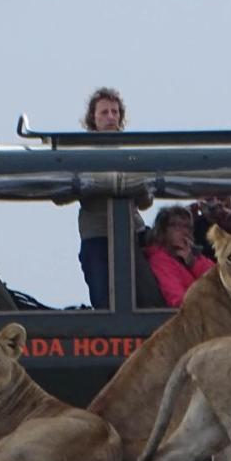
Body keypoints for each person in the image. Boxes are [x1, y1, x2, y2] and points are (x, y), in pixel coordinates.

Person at [74, 87, 152, 308]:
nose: (111, 117)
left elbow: (146, 200)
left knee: (145, 296)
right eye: (104, 112)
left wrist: (133, 186)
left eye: (115, 112)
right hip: (97, 236)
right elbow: (63, 194)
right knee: (103, 302)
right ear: (93, 119)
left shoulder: (132, 153)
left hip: (133, 234)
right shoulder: (80, 154)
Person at [143, 206, 215, 308]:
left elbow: (223, 278)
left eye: (188, 227)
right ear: (163, 231)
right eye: (177, 226)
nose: (185, 232)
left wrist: (193, 263)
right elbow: (178, 301)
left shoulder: (192, 256)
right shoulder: (160, 260)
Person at [188, 194, 231, 261]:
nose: (216, 203)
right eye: (209, 199)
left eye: (222, 198)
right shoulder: (194, 225)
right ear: (199, 205)